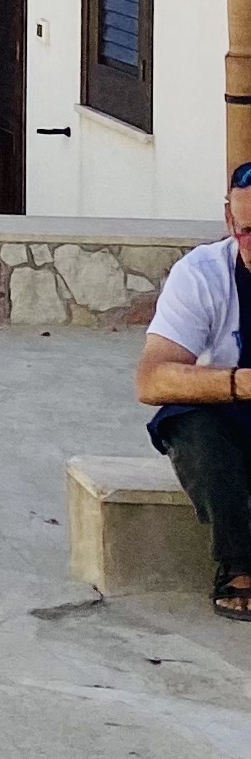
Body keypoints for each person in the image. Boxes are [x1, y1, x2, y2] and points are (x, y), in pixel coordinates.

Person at [133, 160, 251, 619]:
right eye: (246, 230)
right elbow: (152, 378)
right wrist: (239, 382)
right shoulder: (201, 273)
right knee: (188, 423)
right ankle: (239, 566)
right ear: (228, 219)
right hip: (229, 411)